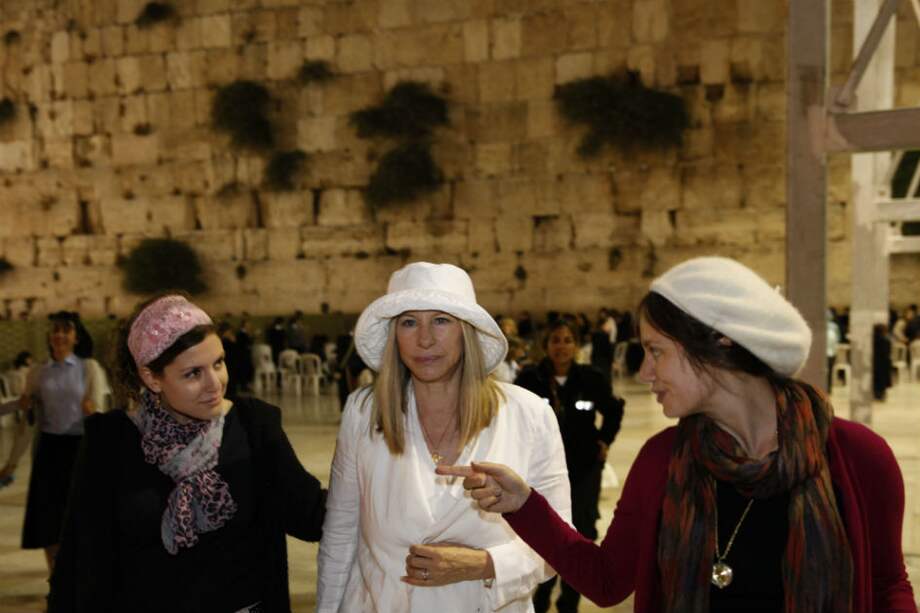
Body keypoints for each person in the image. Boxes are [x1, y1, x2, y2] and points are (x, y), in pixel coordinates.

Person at [443, 257, 917, 613]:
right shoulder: (662, 460)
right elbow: (607, 581)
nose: (644, 372)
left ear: (718, 342)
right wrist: (524, 505)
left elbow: (887, 587)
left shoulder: (857, 456)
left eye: (656, 351)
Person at [316, 262, 571, 613]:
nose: (425, 339)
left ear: (466, 332)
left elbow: (560, 546)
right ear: (394, 336)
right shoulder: (364, 412)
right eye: (409, 322)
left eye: (441, 320)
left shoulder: (528, 415)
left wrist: (483, 565)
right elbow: (340, 536)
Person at [48, 293, 327, 612]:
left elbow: (309, 514)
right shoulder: (111, 440)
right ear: (152, 378)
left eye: (218, 363)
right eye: (193, 373)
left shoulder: (253, 426)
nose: (215, 384)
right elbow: (78, 555)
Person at [514, 318, 624, 613]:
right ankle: (540, 600)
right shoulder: (530, 380)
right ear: (545, 345)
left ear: (576, 345)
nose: (561, 347)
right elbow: (514, 417)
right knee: (545, 531)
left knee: (582, 529)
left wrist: (604, 440)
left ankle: (569, 603)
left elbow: (614, 409)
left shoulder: (591, 378)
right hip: (541, 471)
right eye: (555, 340)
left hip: (584, 468)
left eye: (567, 340)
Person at [0, 312, 102, 574]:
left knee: (80, 517)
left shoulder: (88, 368)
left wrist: (93, 412)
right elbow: (28, 420)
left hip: (80, 450)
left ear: (76, 337)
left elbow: (102, 412)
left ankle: (78, 578)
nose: (59, 335)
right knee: (49, 520)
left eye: (66, 330)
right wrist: (12, 463)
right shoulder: (38, 371)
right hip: (49, 451)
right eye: (55, 330)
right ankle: (55, 580)